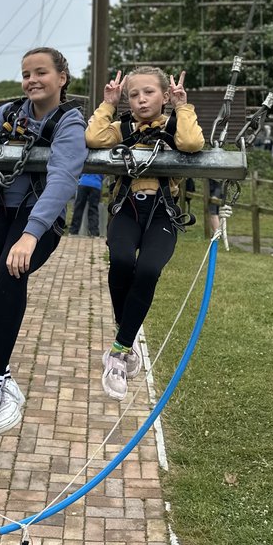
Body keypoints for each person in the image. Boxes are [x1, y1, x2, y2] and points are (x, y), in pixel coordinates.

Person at [0, 47, 87, 459]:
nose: (32, 80)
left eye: (41, 72)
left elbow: (63, 177)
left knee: (10, 273)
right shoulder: (7, 114)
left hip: (38, 215)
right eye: (26, 74)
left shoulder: (68, 120)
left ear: (62, 77)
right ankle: (1, 381)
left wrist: (31, 234)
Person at [86, 66, 204, 400]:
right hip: (127, 209)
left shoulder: (175, 125)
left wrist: (182, 107)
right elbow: (93, 138)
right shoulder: (123, 127)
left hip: (161, 212)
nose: (140, 100)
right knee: (122, 261)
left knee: (149, 269)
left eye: (149, 92)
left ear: (165, 96)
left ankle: (119, 349)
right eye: (134, 95)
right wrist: (108, 104)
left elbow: (193, 143)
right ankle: (126, 342)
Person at [69, 171, 103, 237]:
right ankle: (94, 232)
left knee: (78, 207)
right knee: (93, 209)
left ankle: (73, 231)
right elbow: (102, 176)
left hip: (83, 183)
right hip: (96, 185)